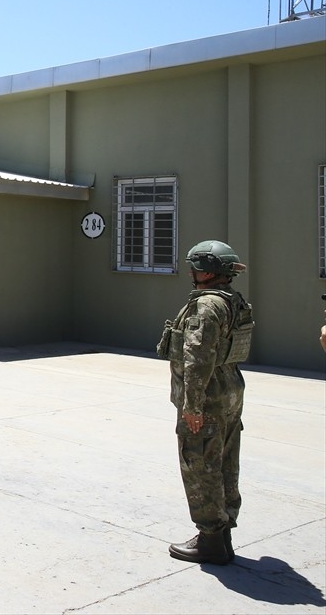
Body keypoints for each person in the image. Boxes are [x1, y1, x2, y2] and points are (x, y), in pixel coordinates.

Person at [157, 240, 253, 565]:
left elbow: (197, 358)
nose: (191, 272)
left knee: (199, 463)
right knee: (224, 460)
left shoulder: (206, 306)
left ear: (208, 272)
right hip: (230, 392)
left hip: (207, 397)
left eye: (195, 267)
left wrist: (191, 406)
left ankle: (210, 539)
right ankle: (223, 533)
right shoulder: (233, 301)